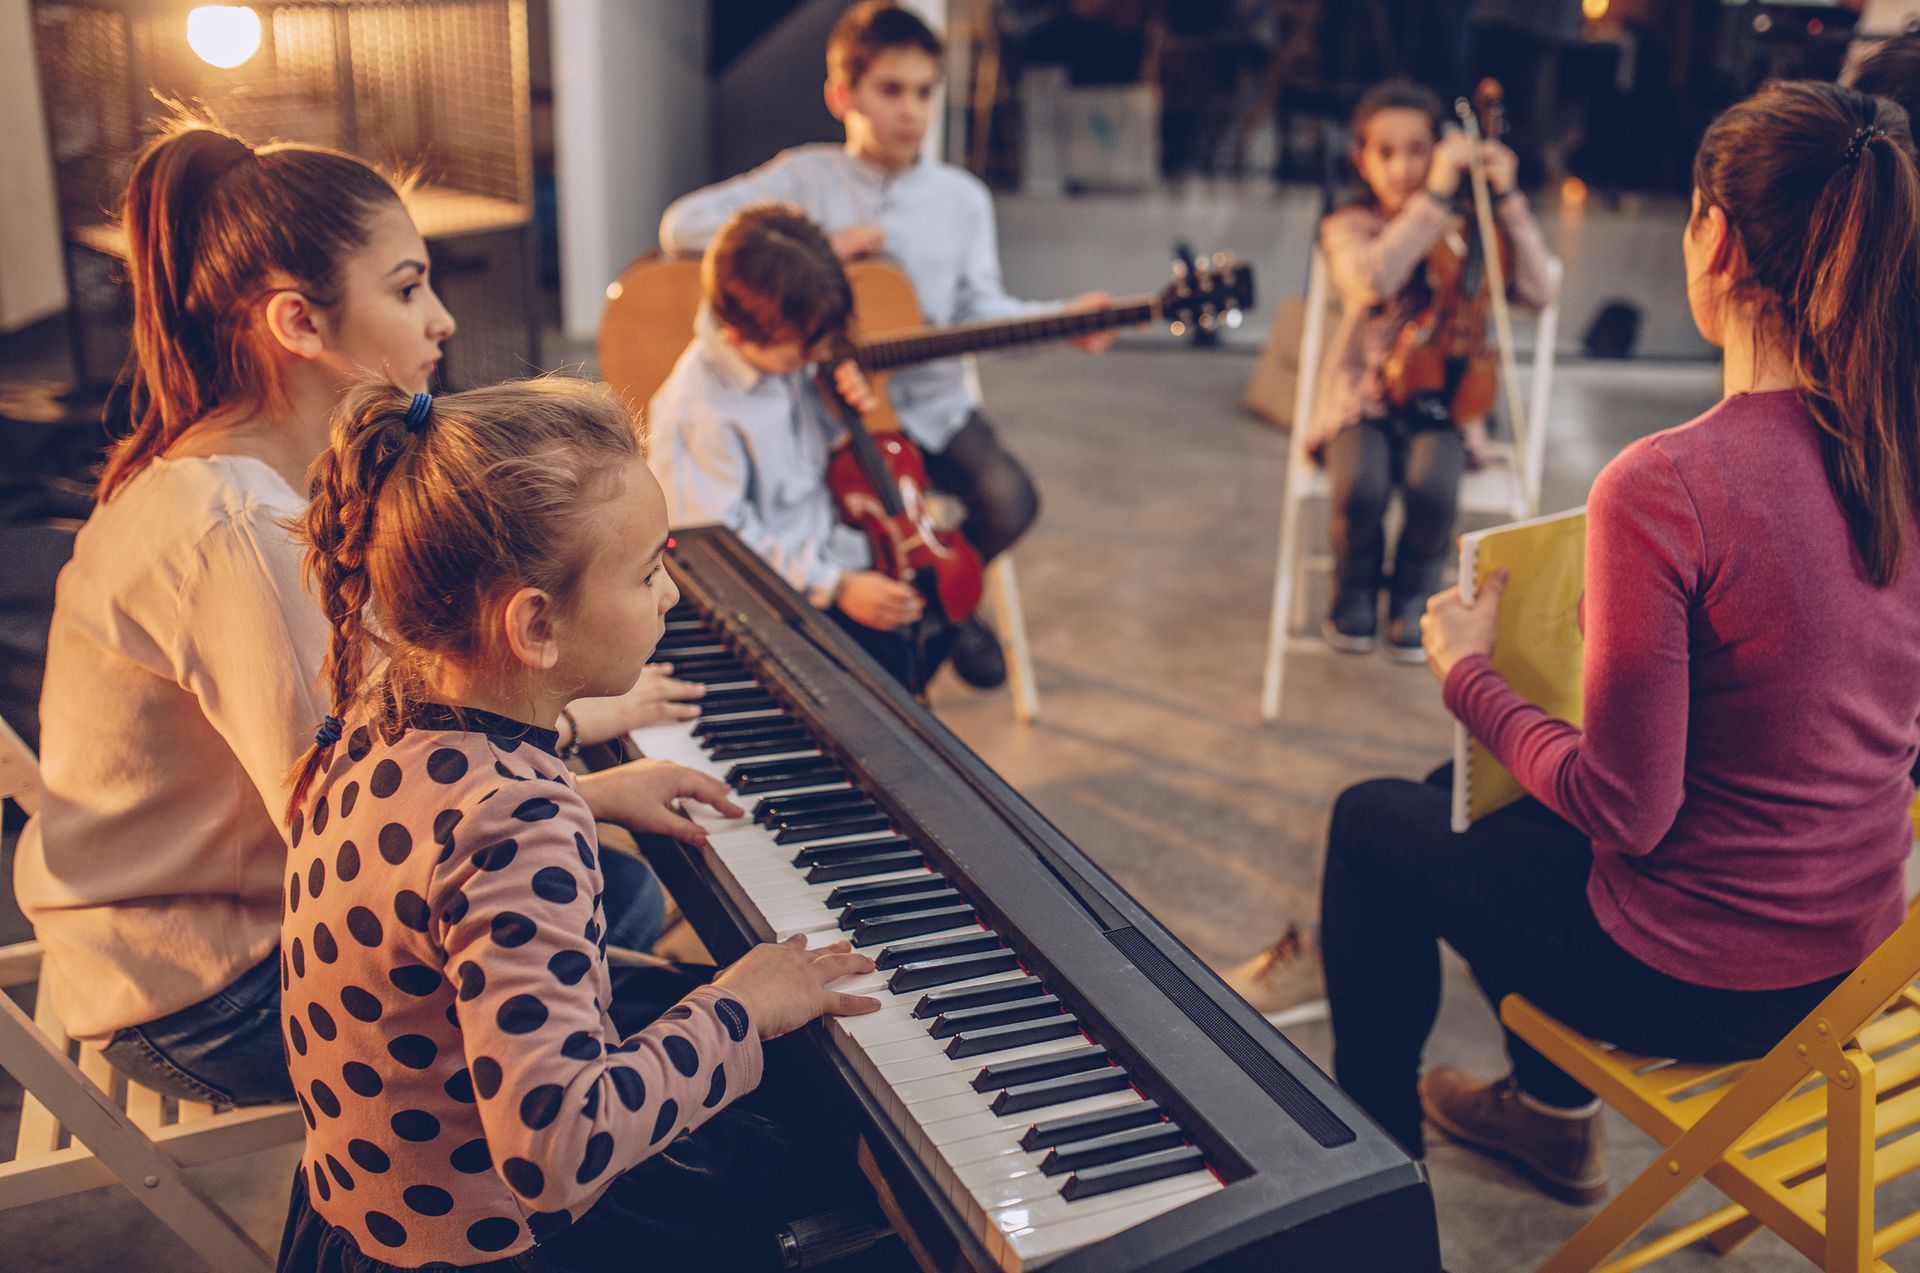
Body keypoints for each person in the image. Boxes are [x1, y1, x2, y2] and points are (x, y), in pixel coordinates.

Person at [14, 122, 697, 1108]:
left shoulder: (267, 474)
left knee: (611, 896)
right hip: (200, 987)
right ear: (297, 322)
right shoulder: (236, 530)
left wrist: (587, 726)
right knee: (618, 942)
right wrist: (576, 789)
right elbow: (353, 823)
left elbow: (388, 713)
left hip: (213, 916)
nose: (443, 319)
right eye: (409, 286)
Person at [1325, 80, 1920, 1204]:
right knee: (1453, 806)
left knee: (1372, 824)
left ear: (1716, 240)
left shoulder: (1668, 486)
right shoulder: (1895, 442)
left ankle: (1371, 1191)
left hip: (1692, 979)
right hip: (1852, 967)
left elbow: (1626, 810)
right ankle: (1549, 1118)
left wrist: (1471, 676)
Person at [274, 377, 881, 1271]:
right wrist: (739, 1009)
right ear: (536, 625)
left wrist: (589, 791)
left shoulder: (385, 703)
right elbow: (558, 1152)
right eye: (646, 574)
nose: (670, 594)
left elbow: (426, 850)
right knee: (835, 1154)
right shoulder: (516, 821)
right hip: (504, 1244)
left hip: (363, 1220)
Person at [658, 0, 1116, 691]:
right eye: (890, 90)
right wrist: (816, 246)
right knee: (858, 528)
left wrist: (1061, 322)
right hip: (838, 405)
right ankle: (914, 623)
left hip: (929, 402)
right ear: (844, 95)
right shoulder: (805, 178)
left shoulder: (962, 199)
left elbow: (981, 311)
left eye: (925, 92)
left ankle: (946, 605)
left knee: (1009, 497)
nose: (911, 111)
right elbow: (682, 227)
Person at [649, 202, 955, 689]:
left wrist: (839, 412)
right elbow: (719, 549)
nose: (817, 357)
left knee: (943, 600)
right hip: (773, 598)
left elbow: (814, 463)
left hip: (828, 546)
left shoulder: (787, 349)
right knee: (893, 663)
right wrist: (835, 587)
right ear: (736, 335)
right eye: (802, 349)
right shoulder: (697, 411)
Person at [1311, 79, 1555, 662]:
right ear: (1360, 161)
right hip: (1363, 400)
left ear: (1440, 150)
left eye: (1418, 151)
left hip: (1447, 398)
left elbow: (1539, 292)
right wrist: (1437, 198)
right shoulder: (1348, 227)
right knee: (1360, 486)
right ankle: (1354, 588)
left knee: (1433, 487)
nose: (1402, 167)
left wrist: (1508, 198)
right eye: (1385, 152)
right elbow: (1374, 279)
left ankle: (1414, 594)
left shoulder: (1473, 228)